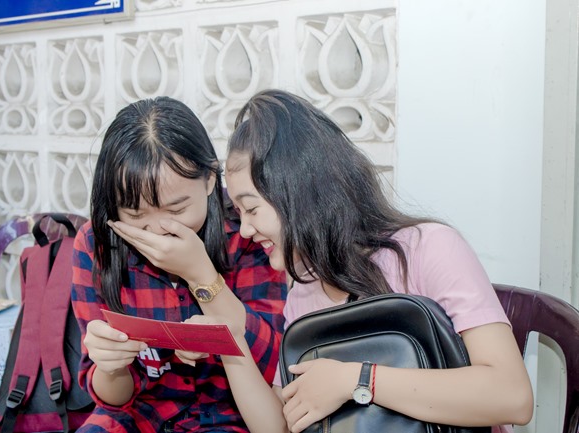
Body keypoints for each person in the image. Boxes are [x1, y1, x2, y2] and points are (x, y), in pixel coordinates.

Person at [219, 89, 533, 433]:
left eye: (251, 209)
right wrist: (231, 344)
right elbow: (281, 426)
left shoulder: (428, 249)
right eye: (238, 212)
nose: (245, 229)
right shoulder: (304, 293)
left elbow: (512, 397)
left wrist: (356, 380)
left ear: (298, 191)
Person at [70, 96, 287, 433]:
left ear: (210, 179)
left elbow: (274, 365)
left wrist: (200, 274)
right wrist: (111, 366)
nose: (158, 230)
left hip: (228, 417)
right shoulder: (97, 243)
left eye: (176, 210)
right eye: (135, 214)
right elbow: (112, 400)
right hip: (138, 414)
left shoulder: (247, 232)